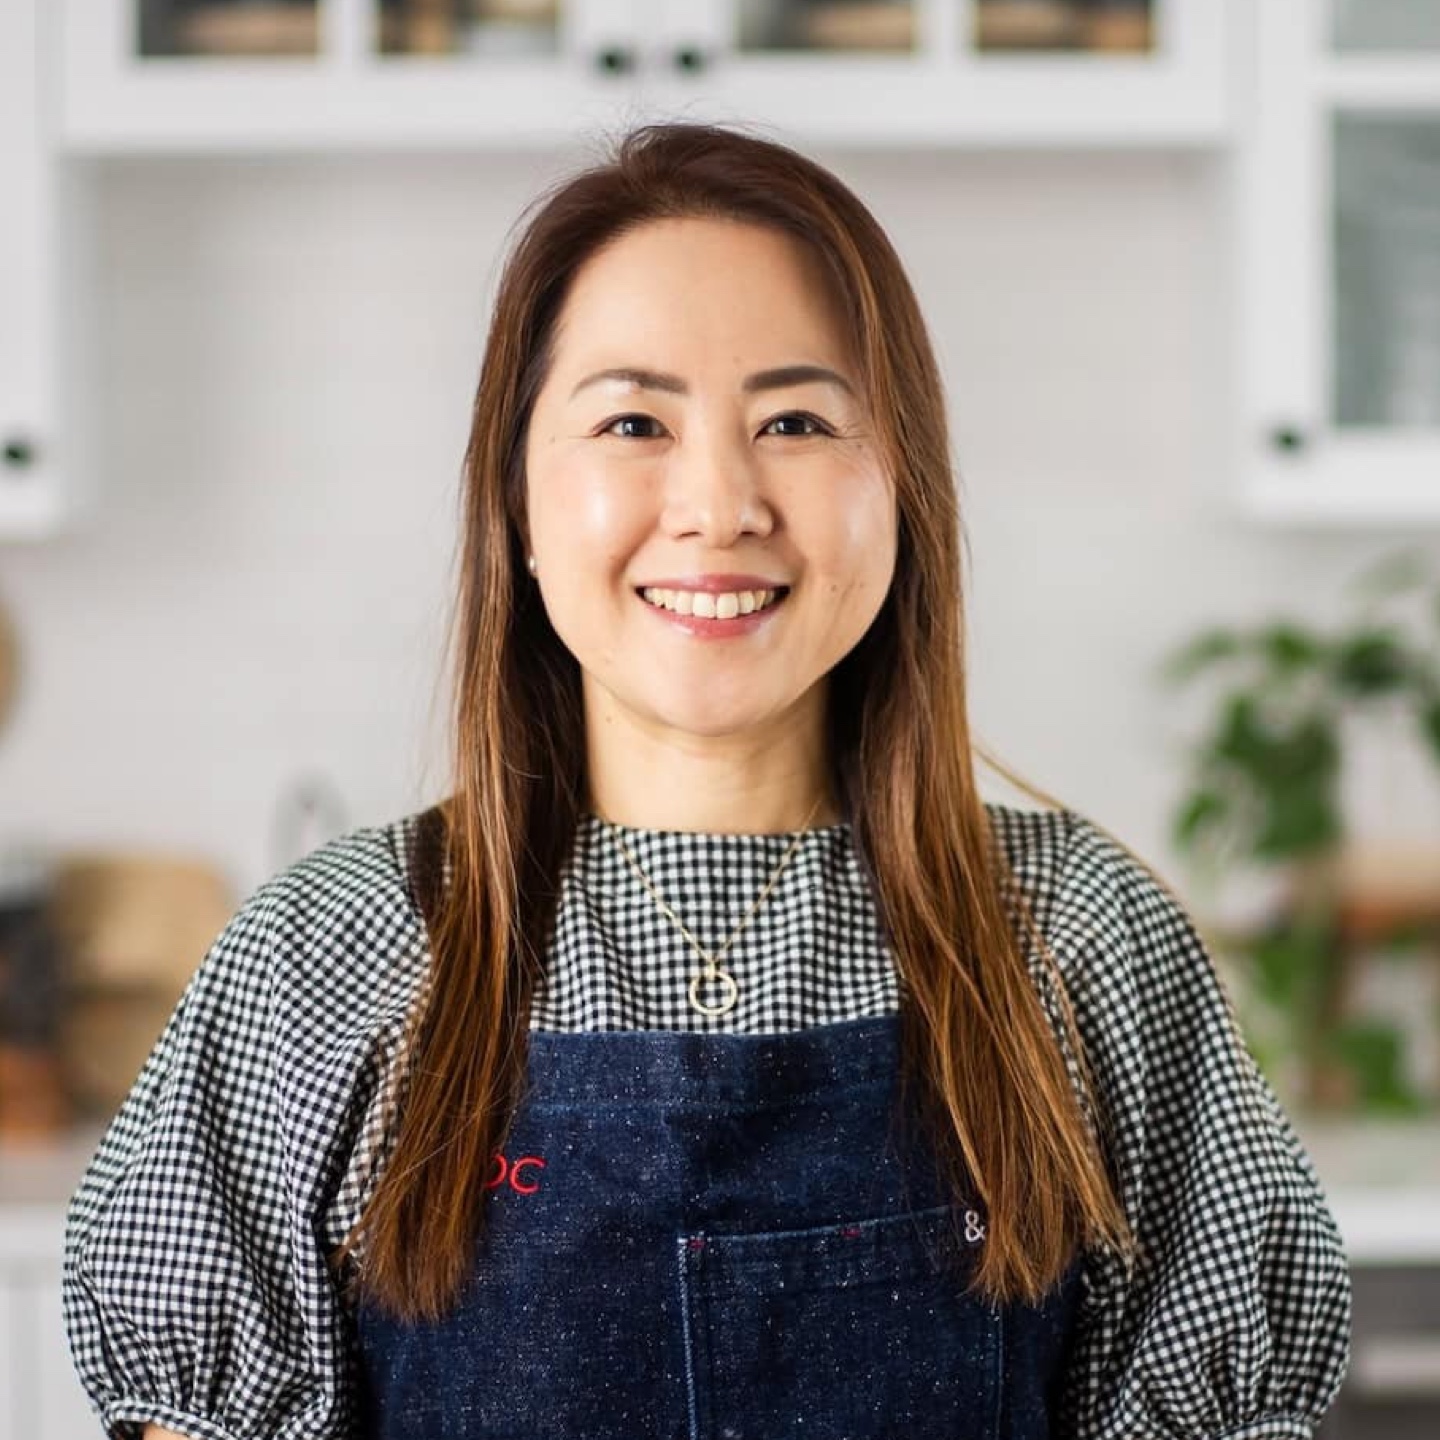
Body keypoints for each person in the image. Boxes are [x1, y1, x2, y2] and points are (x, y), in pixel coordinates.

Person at [63, 122, 1350, 1440]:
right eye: (634, 421)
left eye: (796, 421)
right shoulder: (328, 951)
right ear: (517, 498)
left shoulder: (1080, 936)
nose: (720, 503)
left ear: (903, 486)